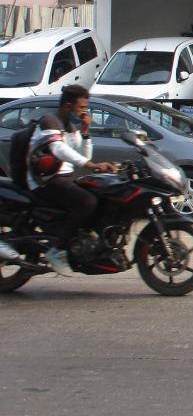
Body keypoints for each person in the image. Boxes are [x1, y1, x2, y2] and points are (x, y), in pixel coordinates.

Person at [28, 85, 117, 276]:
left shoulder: (70, 127)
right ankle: (57, 250)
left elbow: (81, 154)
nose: (84, 111)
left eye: (86, 108)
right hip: (45, 180)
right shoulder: (49, 122)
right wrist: (91, 165)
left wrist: (86, 132)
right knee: (87, 202)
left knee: (100, 195)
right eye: (81, 107)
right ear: (68, 105)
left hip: (63, 177)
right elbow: (59, 150)